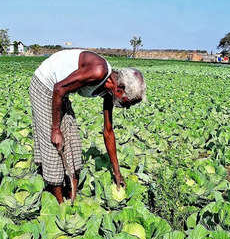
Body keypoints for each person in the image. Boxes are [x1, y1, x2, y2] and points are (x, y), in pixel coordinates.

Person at [29, 49, 146, 203]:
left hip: (60, 91)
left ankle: (72, 196)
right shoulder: (98, 71)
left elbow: (108, 132)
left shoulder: (109, 90)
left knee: (73, 142)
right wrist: (55, 129)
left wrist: (117, 173)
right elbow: (58, 88)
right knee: (53, 145)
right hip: (45, 86)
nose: (127, 107)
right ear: (120, 89)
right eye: (128, 102)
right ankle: (59, 203)